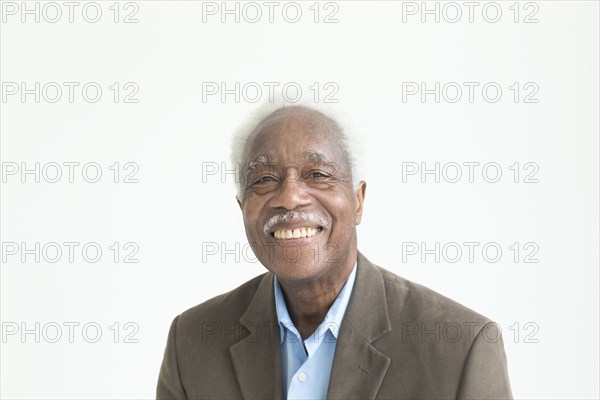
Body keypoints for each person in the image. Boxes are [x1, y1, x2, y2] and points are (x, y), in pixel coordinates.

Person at [157, 104, 513, 399]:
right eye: (264, 179)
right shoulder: (191, 341)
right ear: (242, 208)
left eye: (317, 174)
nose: (290, 197)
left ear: (358, 201)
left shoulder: (461, 348)